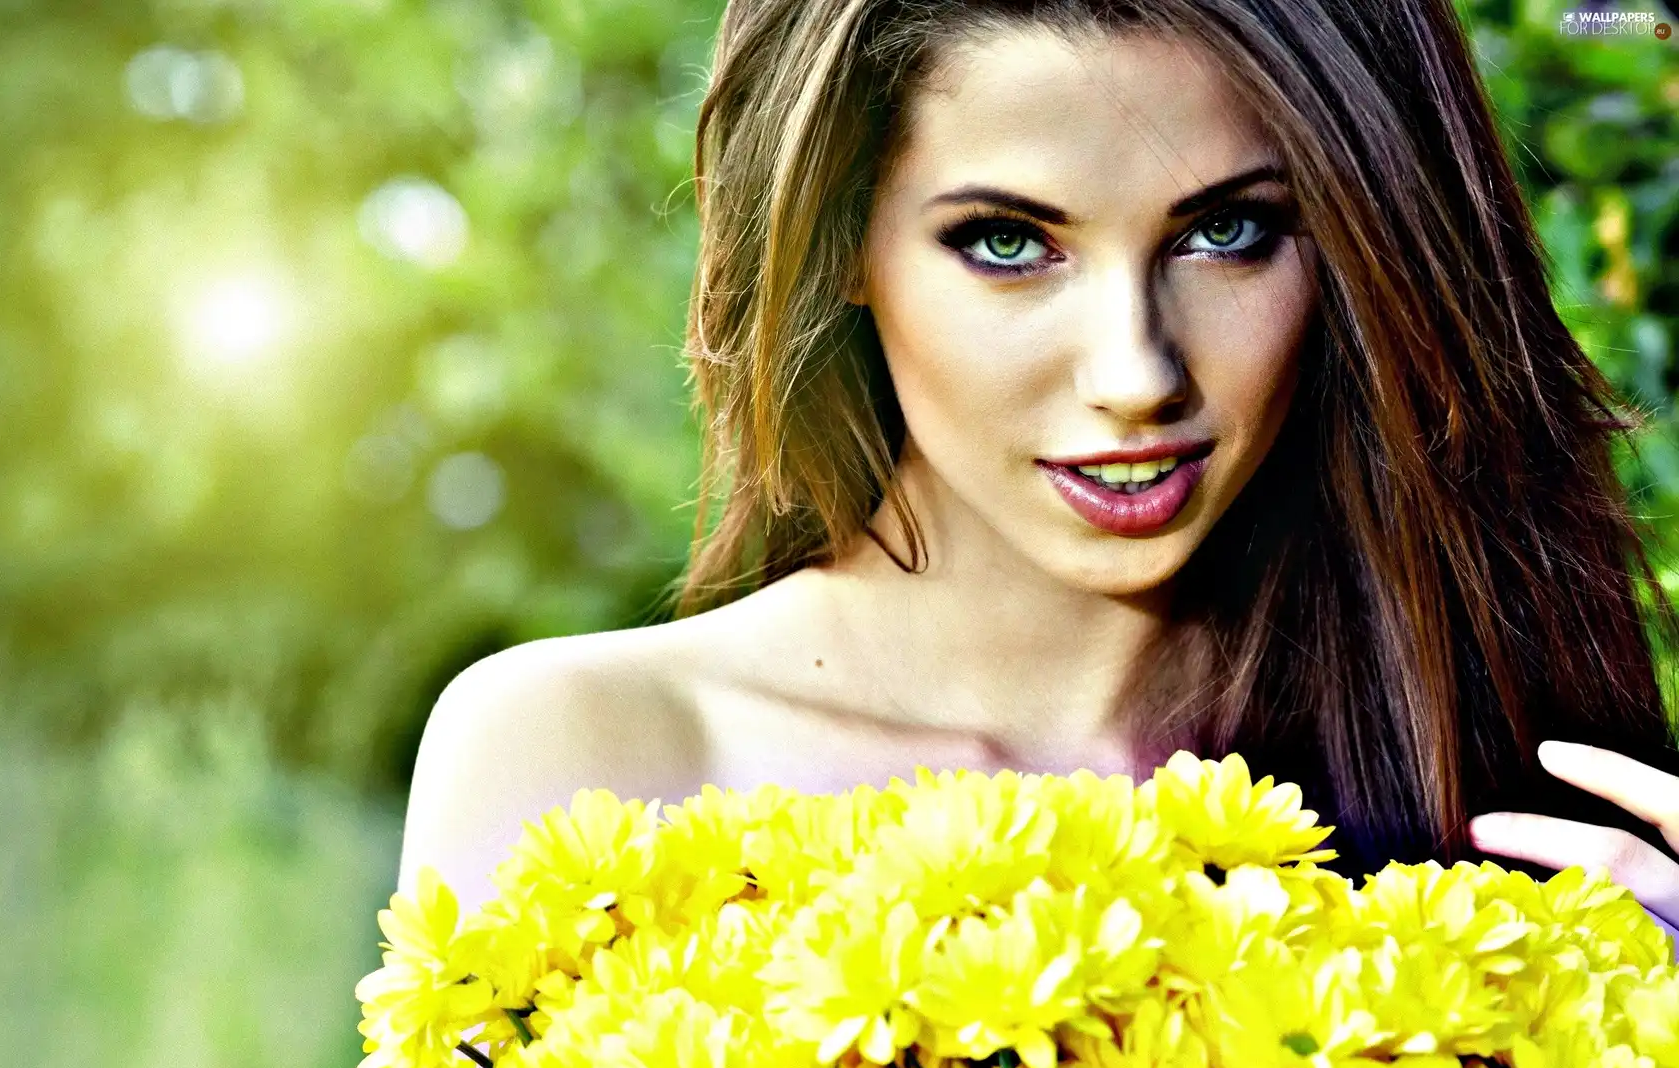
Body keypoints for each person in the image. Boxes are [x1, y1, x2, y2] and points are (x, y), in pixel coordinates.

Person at [399, 0, 1679, 949]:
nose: (1135, 372)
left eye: (1228, 231)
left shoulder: (1487, 772)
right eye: (1008, 243)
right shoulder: (594, 766)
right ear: (844, 242)